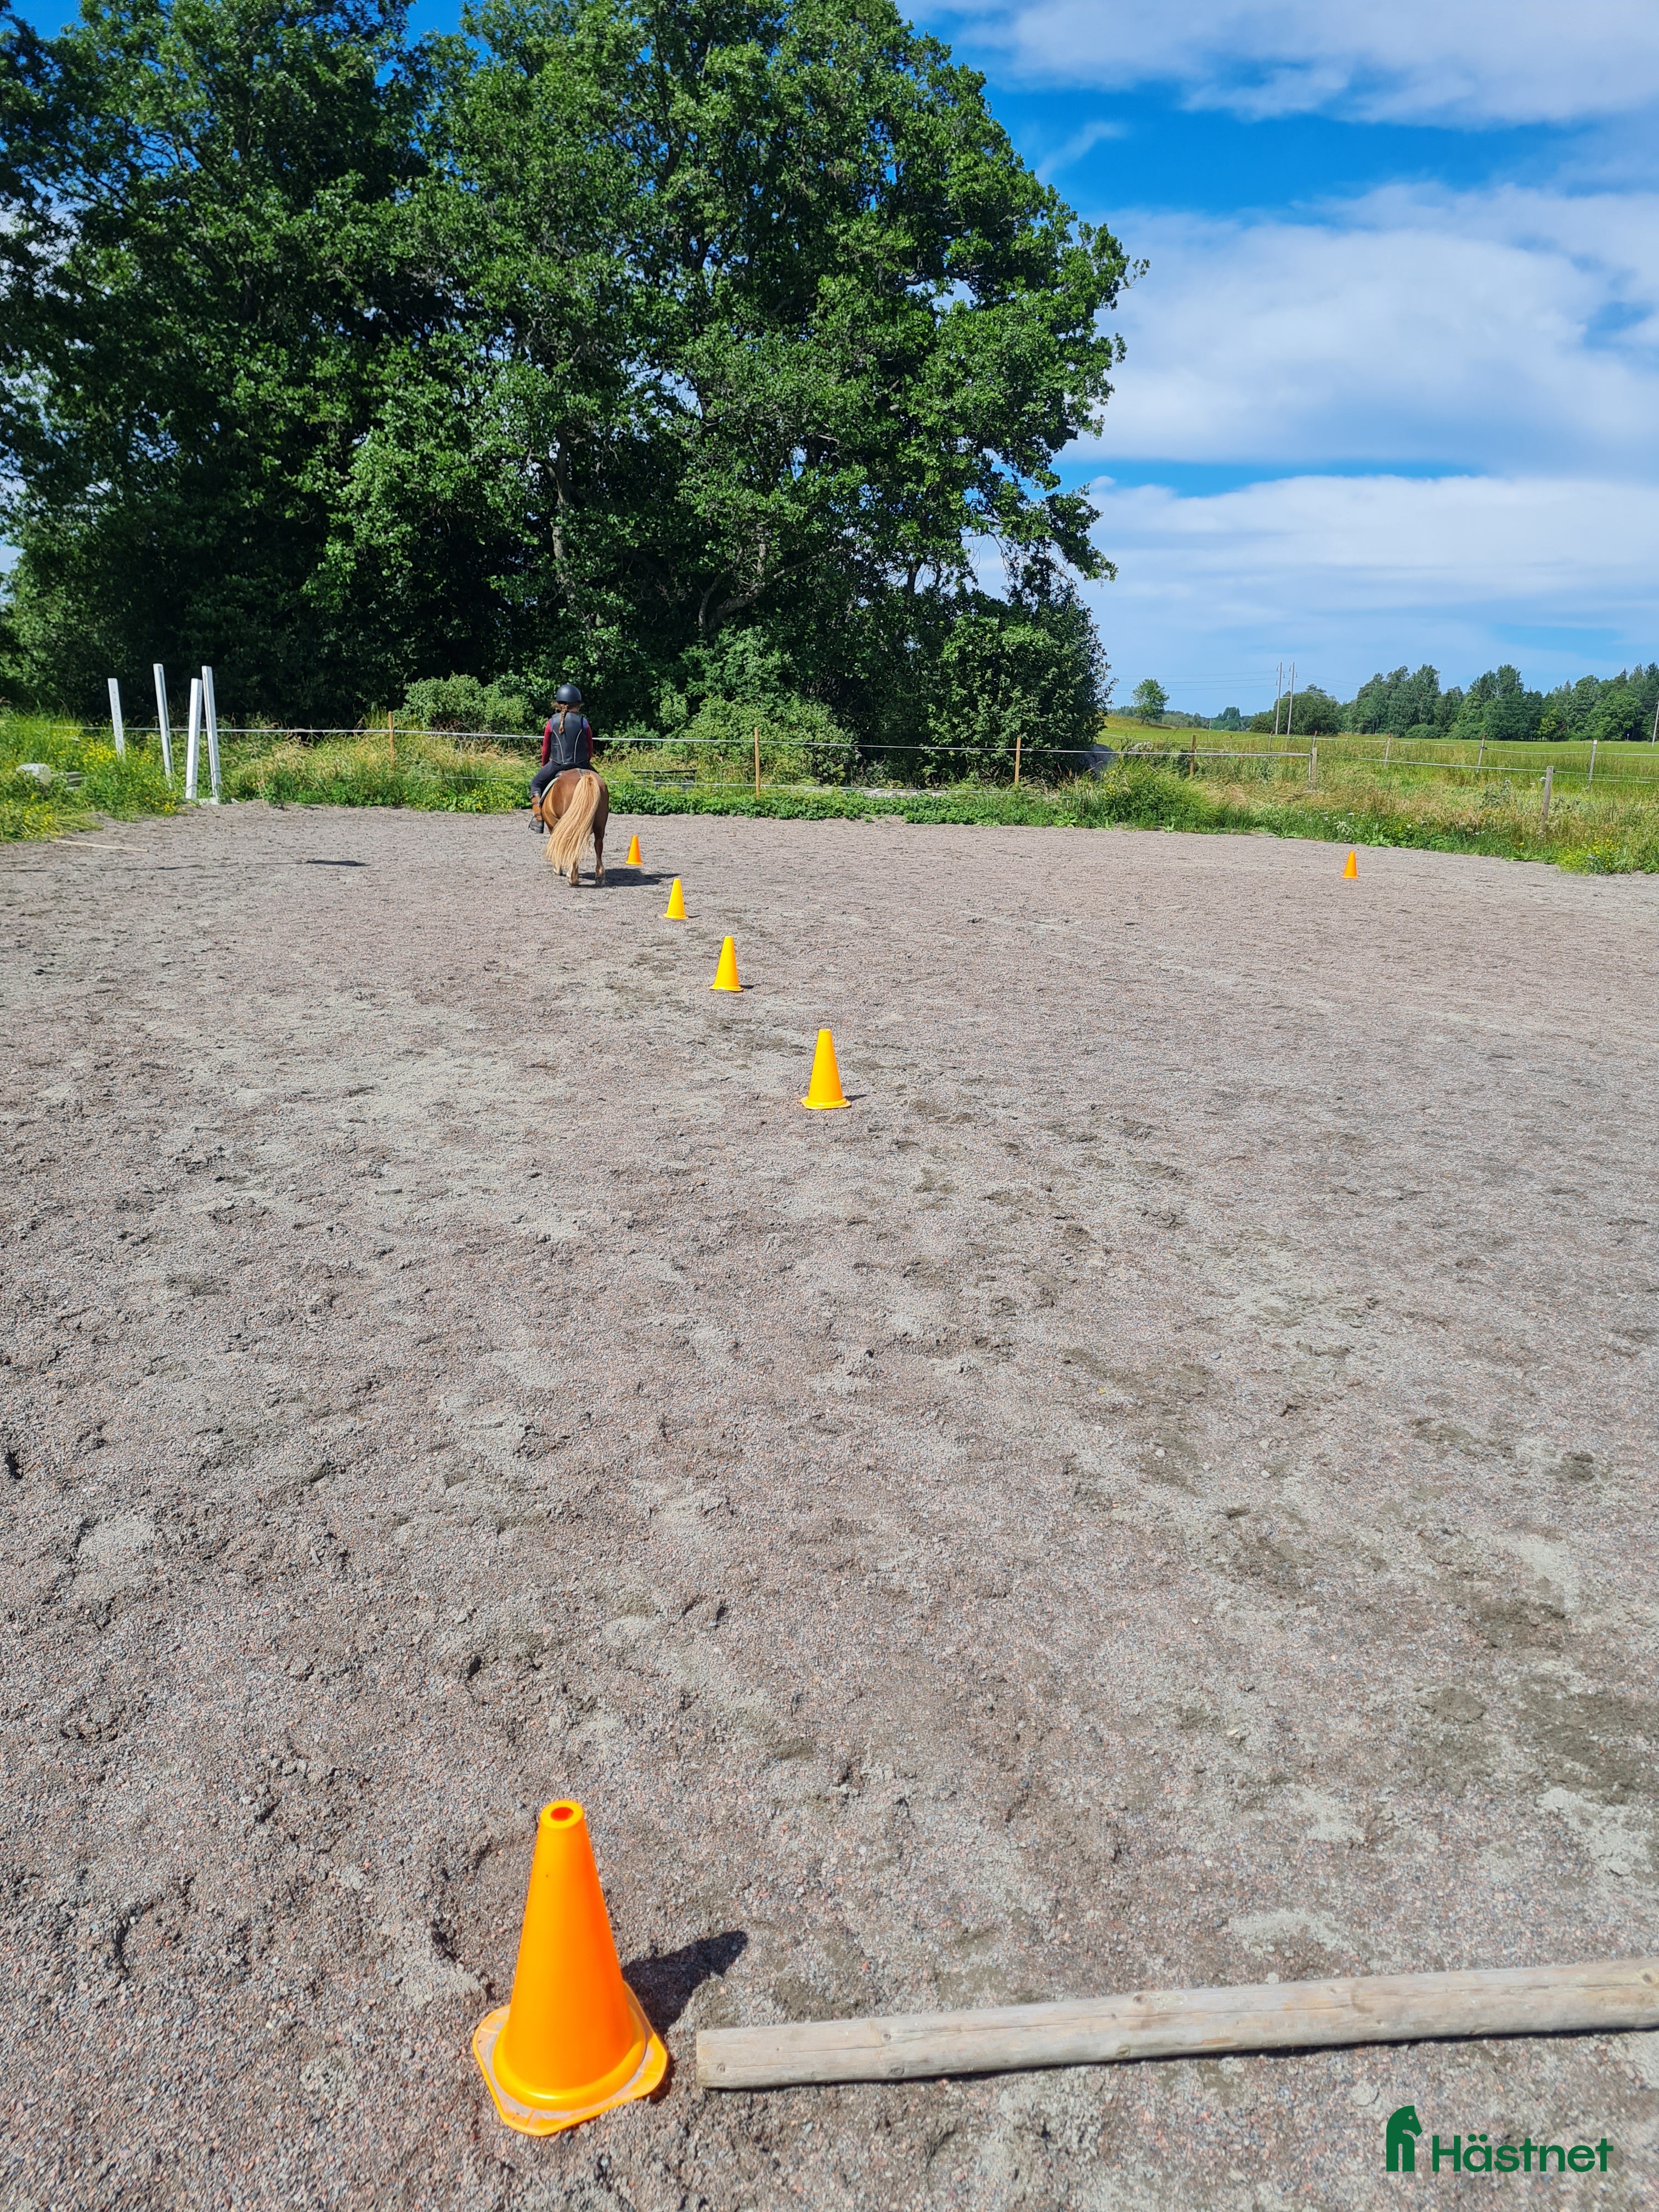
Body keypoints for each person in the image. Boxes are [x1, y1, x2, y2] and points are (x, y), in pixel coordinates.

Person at [530, 684, 597, 819]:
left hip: (557, 765)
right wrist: (586, 762)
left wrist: (545, 764)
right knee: (600, 785)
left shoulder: (551, 722)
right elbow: (590, 745)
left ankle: (538, 818)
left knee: (536, 783)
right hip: (582, 764)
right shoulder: (584, 722)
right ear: (577, 705)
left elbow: (546, 748)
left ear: (558, 704)